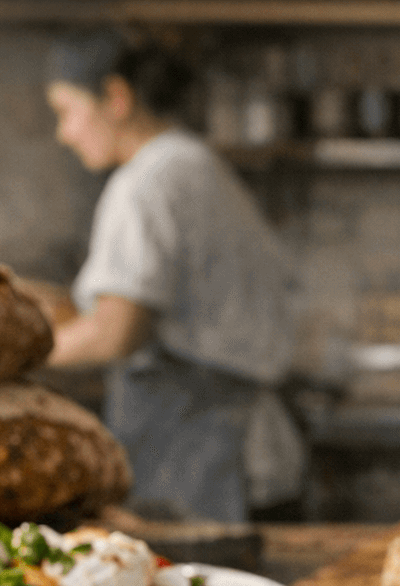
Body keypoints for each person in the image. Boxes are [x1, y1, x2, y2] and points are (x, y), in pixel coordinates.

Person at [43, 34, 305, 523]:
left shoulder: (145, 181)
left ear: (116, 99)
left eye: (66, 110)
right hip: (230, 439)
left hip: (194, 451)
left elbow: (117, 331)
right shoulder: (192, 163)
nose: (65, 133)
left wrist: (21, 357)